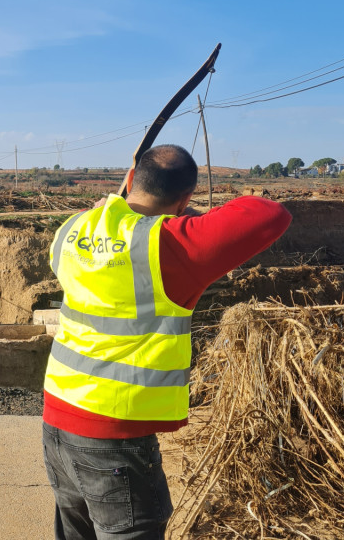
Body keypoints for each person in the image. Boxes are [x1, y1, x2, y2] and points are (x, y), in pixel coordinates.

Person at [42, 144, 292, 539]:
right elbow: (269, 214)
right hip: (114, 435)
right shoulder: (169, 247)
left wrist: (118, 207)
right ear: (185, 198)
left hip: (58, 420)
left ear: (129, 181)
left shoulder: (74, 228)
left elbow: (111, 230)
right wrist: (188, 215)